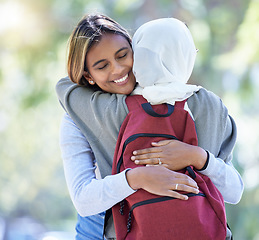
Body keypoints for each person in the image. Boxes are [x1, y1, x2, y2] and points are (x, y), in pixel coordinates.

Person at [56, 13, 244, 240]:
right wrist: (139, 178)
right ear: (88, 75)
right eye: (102, 66)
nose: (117, 70)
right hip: (101, 222)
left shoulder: (197, 106)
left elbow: (234, 191)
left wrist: (197, 156)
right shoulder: (79, 116)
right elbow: (84, 200)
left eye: (123, 55)